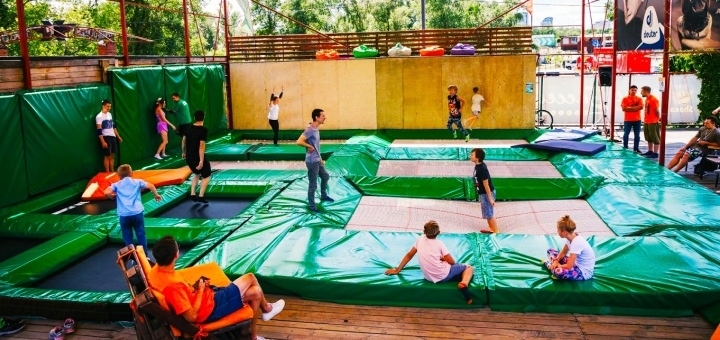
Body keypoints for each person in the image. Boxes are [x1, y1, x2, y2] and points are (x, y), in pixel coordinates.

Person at [150, 235, 284, 340]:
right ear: (176, 255)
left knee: (255, 293)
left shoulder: (156, 271)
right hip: (210, 309)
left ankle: (254, 336)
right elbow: (191, 317)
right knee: (250, 277)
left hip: (207, 300)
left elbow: (183, 297)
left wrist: (196, 288)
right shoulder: (173, 286)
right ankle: (266, 309)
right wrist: (201, 290)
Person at [384, 220, 475, 304]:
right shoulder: (440, 244)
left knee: (454, 271)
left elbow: (409, 255)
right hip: (443, 275)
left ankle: (458, 278)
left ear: (424, 231)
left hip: (428, 277)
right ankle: (464, 283)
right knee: (469, 268)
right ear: (438, 233)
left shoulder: (420, 239)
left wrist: (397, 270)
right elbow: (451, 262)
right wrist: (443, 259)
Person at [103, 164, 161, 253]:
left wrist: (111, 197)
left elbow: (106, 192)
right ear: (131, 173)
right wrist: (156, 194)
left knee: (127, 236)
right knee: (140, 234)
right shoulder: (137, 182)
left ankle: (133, 256)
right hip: (137, 213)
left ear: (118, 176)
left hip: (124, 215)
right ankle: (144, 255)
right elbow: (151, 186)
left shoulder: (117, 185)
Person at [296, 109, 334, 213]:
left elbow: (316, 146)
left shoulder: (315, 129)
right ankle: (312, 206)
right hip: (312, 161)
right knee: (313, 184)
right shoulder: (310, 129)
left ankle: (323, 195)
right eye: (322, 116)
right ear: (316, 117)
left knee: (325, 176)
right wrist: (308, 146)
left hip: (317, 159)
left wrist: (320, 158)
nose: (324, 117)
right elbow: (299, 141)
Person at [543, 215, 596, 281]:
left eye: (558, 230)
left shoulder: (576, 243)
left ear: (564, 232)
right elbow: (563, 253)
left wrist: (558, 266)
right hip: (575, 264)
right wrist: (556, 261)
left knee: (558, 272)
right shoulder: (570, 237)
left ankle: (548, 265)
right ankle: (553, 265)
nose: (557, 231)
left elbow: (568, 266)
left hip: (583, 272)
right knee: (550, 251)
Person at [183, 110, 211, 204]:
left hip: (189, 157)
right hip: (197, 157)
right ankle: (201, 196)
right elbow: (201, 145)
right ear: (204, 117)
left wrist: (183, 152)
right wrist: (201, 161)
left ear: (194, 117)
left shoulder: (188, 127)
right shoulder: (203, 130)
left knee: (196, 173)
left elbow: (183, 141)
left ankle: (193, 194)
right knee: (207, 175)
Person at [470, 148, 498, 233]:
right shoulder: (478, 165)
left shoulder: (482, 169)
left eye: (472, 155)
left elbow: (486, 185)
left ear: (477, 158)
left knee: (489, 214)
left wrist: (490, 199)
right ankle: (491, 229)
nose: (470, 156)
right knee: (487, 213)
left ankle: (495, 231)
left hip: (486, 193)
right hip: (483, 193)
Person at [96, 99, 123, 172]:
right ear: (103, 106)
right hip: (106, 137)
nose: (109, 108)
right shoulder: (99, 116)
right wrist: (103, 142)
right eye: (108, 106)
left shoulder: (109, 114)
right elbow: (99, 130)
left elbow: (113, 127)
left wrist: (118, 136)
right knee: (107, 156)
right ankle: (107, 172)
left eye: (110, 106)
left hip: (113, 137)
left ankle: (112, 171)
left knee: (112, 155)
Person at [620, 85, 644, 153]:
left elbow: (641, 107)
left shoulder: (639, 99)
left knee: (637, 135)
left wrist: (629, 109)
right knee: (626, 134)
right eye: (632, 90)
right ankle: (625, 147)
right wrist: (635, 108)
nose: (633, 91)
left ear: (637, 91)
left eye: (635, 90)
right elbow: (624, 109)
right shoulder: (625, 98)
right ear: (629, 90)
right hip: (627, 120)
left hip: (637, 120)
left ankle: (636, 148)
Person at [641, 86, 661, 159]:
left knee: (655, 137)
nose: (641, 93)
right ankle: (650, 151)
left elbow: (656, 110)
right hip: (647, 121)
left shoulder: (653, 99)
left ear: (646, 91)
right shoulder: (647, 99)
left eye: (642, 91)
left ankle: (655, 153)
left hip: (653, 121)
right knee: (648, 137)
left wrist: (658, 118)